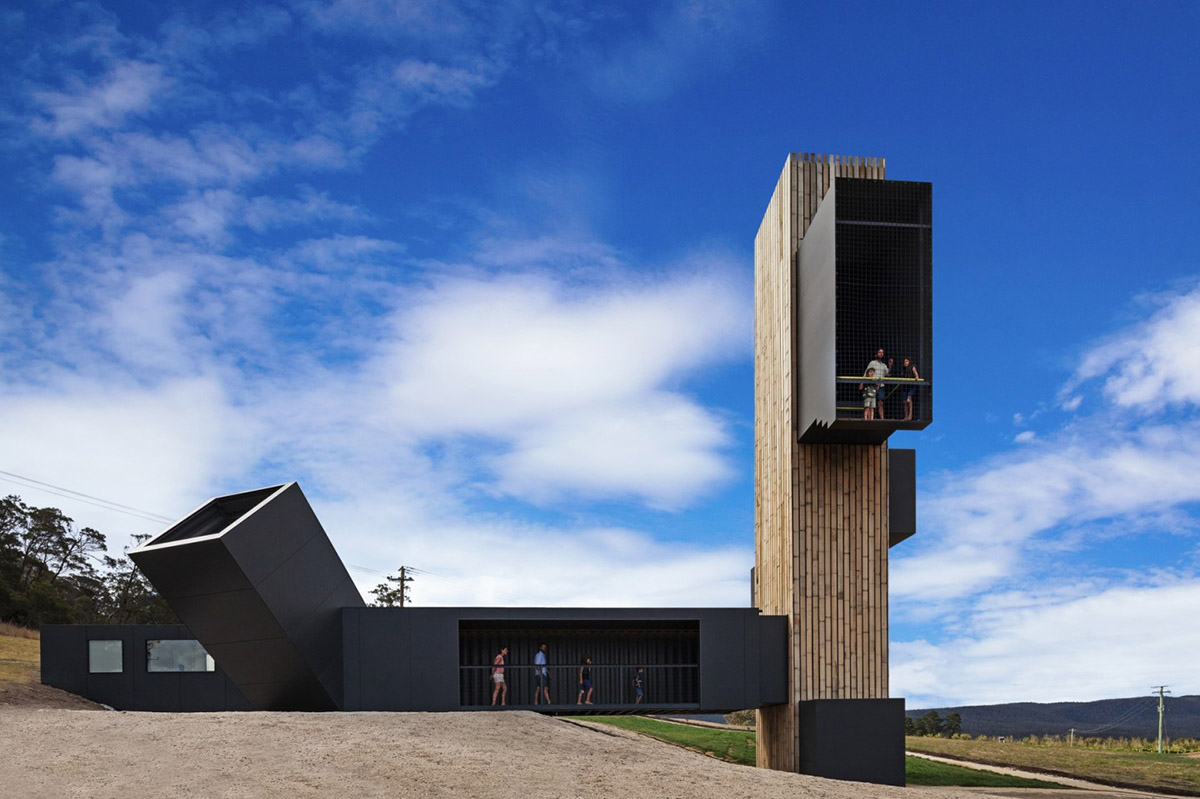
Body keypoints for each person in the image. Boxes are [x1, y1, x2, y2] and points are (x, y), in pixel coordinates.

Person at [865, 348, 889, 419]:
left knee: (880, 402)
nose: (881, 354)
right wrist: (863, 382)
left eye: (882, 352)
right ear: (876, 354)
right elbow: (867, 372)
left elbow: (887, 373)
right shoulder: (872, 363)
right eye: (879, 352)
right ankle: (870, 418)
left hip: (881, 386)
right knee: (870, 403)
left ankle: (882, 418)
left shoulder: (884, 365)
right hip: (872, 385)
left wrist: (890, 366)